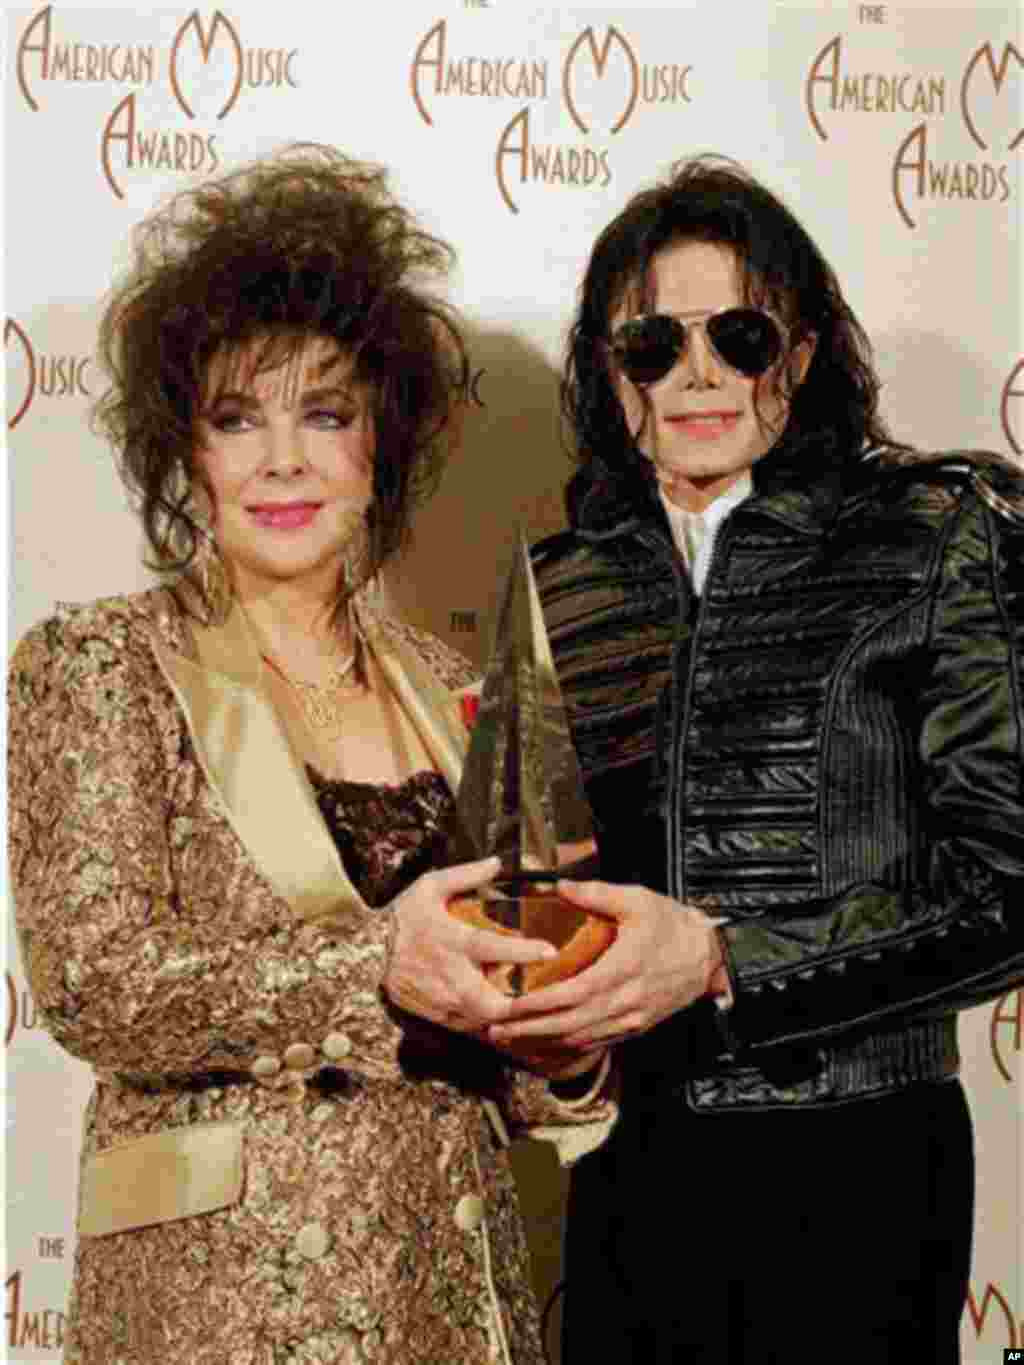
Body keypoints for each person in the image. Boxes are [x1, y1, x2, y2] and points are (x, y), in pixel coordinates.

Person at [7, 145, 614, 1365]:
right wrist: (380, 965)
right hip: (219, 1311)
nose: (282, 459)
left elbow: (506, 1030)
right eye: (238, 418)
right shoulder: (102, 664)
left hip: (446, 1300)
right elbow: (96, 981)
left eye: (324, 414)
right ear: (188, 452)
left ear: (379, 441)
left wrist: (563, 1050)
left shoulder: (459, 691)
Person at [485, 156, 1024, 1363]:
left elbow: (1010, 887)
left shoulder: (937, 537)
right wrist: (553, 1031)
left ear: (804, 351)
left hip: (861, 1166)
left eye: (739, 335)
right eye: (652, 345)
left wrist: (727, 961)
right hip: (633, 1168)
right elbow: (526, 897)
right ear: (609, 371)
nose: (698, 375)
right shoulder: (557, 589)